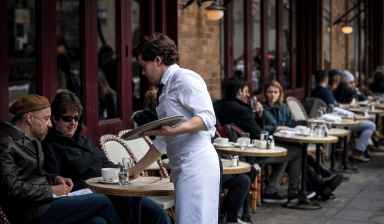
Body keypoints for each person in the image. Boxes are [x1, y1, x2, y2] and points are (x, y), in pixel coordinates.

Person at [130, 33, 221, 223]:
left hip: (197, 163)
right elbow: (162, 141)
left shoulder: (184, 78)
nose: (144, 73)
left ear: (158, 59)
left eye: (143, 66)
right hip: (182, 166)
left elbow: (208, 117)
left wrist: (174, 131)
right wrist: (136, 169)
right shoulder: (165, 87)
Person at [42, 92, 170, 224]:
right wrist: (98, 181)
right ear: (55, 118)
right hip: (94, 195)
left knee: (158, 214)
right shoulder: (50, 147)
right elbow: (61, 187)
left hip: (117, 189)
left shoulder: (83, 140)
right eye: (67, 118)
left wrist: (120, 174)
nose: (73, 123)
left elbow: (106, 163)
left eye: (77, 118)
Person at [0, 94, 123, 224]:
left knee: (97, 221)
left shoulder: (33, 141)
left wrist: (56, 179)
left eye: (77, 118)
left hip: (45, 202)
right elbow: (10, 189)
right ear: (30, 118)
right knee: (101, 200)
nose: (50, 124)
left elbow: (38, 174)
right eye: (47, 119)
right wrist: (51, 190)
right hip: (29, 211)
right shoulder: (5, 143)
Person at [312, 70, 375, 161]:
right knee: (371, 125)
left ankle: (348, 147)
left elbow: (335, 105)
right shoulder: (326, 92)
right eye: (351, 82)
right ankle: (358, 151)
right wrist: (349, 106)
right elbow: (334, 106)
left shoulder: (314, 91)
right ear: (326, 80)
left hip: (324, 122)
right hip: (334, 123)